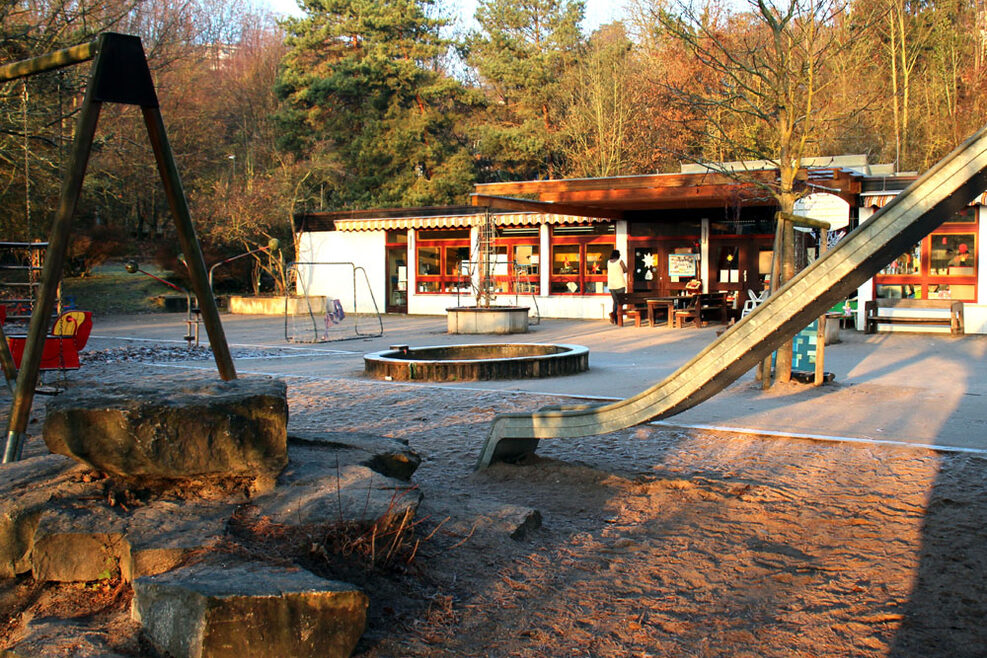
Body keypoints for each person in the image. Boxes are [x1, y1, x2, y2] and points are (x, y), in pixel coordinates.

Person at [607, 249, 626, 324]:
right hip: (620, 284)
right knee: (620, 302)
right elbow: (625, 269)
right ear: (618, 255)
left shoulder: (608, 262)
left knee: (615, 302)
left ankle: (615, 318)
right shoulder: (620, 261)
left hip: (611, 285)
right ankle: (615, 316)